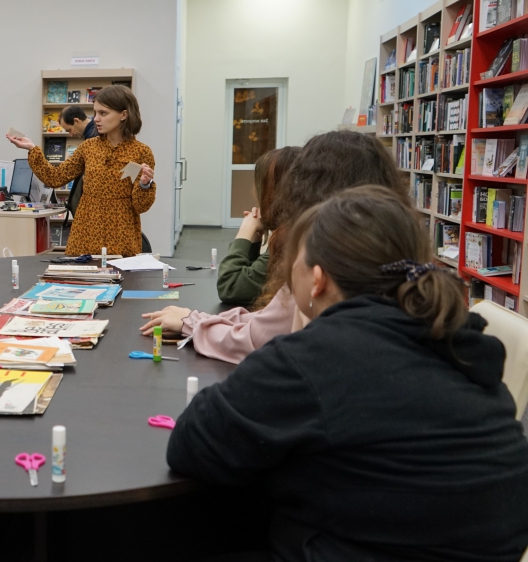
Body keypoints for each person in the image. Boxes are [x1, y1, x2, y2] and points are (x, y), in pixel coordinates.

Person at [166, 185, 528, 562]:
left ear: (317, 279)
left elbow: (193, 443)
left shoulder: (321, 356)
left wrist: (299, 332)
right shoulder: (458, 341)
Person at [140, 130, 408, 364]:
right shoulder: (388, 250)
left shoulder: (319, 254)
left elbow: (255, 329)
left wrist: (192, 323)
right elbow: (267, 318)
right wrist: (195, 319)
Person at [8, 85, 155, 256]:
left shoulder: (141, 152)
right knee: (78, 272)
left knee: (119, 273)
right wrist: (32, 149)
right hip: (86, 233)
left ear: (124, 114)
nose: (96, 119)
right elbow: (55, 178)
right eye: (95, 113)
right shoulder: (89, 147)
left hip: (121, 234)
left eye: (103, 113)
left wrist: (145, 185)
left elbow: (141, 206)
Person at [216, 146, 300, 307]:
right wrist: (255, 241)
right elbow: (255, 282)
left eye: (259, 184)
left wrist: (245, 233)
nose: (254, 190)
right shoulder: (298, 226)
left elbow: (230, 287)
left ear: (273, 189)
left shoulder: (290, 236)